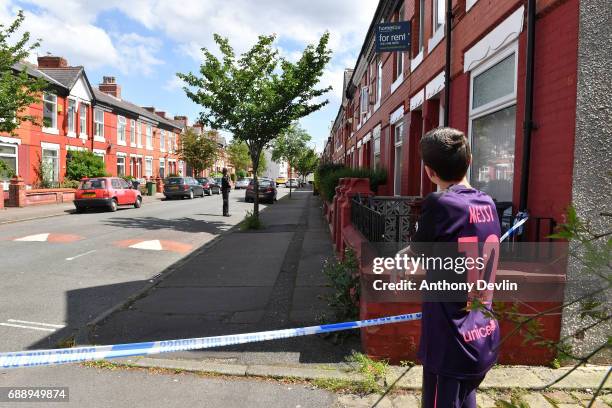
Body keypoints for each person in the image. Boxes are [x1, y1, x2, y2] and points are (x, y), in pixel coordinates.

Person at [409, 127, 501, 407]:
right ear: (469, 161)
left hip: (450, 339)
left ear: (429, 171)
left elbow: (417, 254)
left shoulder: (440, 203)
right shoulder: (488, 202)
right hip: (482, 331)